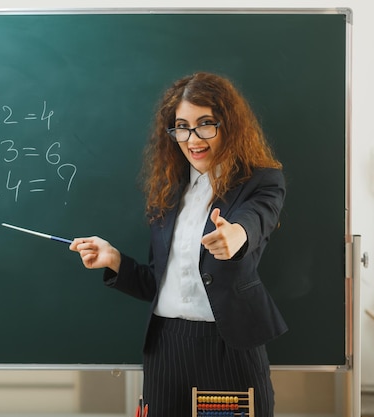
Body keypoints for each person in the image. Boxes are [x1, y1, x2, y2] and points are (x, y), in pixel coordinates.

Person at [70, 72, 287, 417]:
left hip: (227, 347)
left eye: (205, 124)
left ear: (228, 125)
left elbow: (257, 219)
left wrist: (237, 235)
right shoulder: (170, 190)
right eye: (181, 126)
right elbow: (159, 283)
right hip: (166, 345)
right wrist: (114, 261)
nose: (193, 138)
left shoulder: (262, 181)